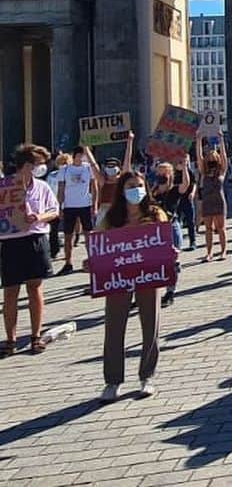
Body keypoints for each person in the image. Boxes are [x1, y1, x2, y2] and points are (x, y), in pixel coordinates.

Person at [97, 170, 174, 401]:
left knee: (151, 324)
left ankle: (146, 375)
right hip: (118, 278)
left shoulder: (155, 213)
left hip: (148, 277)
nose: (136, 191)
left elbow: (165, 241)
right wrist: (91, 262)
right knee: (113, 326)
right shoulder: (111, 218)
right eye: (131, 186)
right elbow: (98, 244)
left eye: (140, 185)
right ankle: (112, 381)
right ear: (122, 190)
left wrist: (171, 253)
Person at [1, 144, 60, 356]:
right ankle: (10, 339)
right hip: (11, 241)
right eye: (38, 164)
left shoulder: (42, 187)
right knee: (10, 291)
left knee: (35, 287)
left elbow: (54, 210)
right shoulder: (4, 187)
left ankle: (36, 336)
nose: (42, 167)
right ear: (25, 165)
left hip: (35, 238)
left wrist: (39, 217)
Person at [149, 160, 191, 307]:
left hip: (171, 227)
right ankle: (149, 294)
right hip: (155, 230)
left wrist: (184, 167)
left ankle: (170, 292)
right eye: (158, 173)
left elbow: (185, 185)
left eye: (164, 173)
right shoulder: (153, 192)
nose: (161, 175)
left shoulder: (173, 190)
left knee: (172, 263)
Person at [56, 145, 100, 275]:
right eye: (81, 155)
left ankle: (91, 259)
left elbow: (94, 187)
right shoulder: (65, 170)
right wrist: (60, 207)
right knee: (68, 236)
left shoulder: (88, 168)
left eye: (84, 155)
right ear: (75, 156)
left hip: (85, 205)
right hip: (69, 206)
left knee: (88, 234)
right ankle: (68, 262)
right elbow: (61, 189)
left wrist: (95, 205)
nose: (83, 158)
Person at [195, 131, 228, 261]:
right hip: (207, 201)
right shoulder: (204, 171)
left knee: (221, 228)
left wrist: (221, 141)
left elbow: (224, 156)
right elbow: (198, 157)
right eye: (209, 158)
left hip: (219, 201)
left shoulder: (221, 171)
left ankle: (223, 250)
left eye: (214, 157)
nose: (211, 159)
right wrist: (198, 140)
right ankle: (209, 253)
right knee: (208, 228)